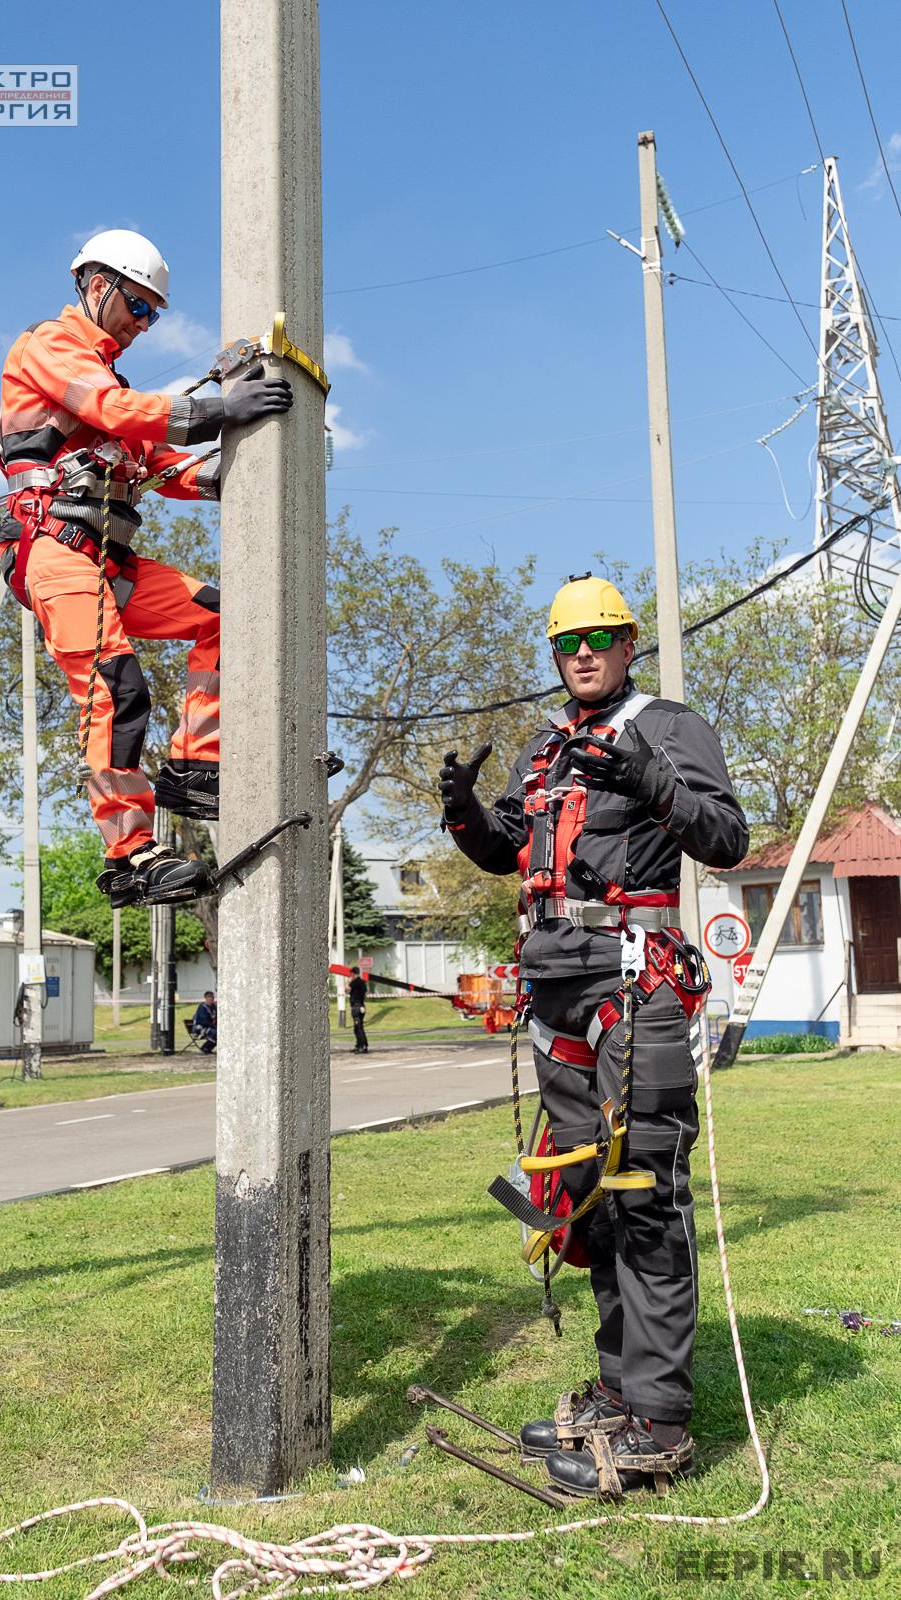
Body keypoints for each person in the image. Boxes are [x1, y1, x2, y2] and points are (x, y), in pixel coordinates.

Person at [438, 573, 748, 1500]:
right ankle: (619, 1393)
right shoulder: (545, 747)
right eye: (567, 643)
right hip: (556, 997)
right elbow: (511, 852)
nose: (582, 654)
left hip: (631, 986)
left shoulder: (668, 727)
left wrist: (651, 780)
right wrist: (464, 815)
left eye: (599, 639)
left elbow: (725, 838)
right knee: (588, 1203)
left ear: (626, 644)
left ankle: (658, 1425)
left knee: (644, 1194)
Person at [0, 229, 293, 908]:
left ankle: (194, 765)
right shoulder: (49, 346)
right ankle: (129, 854)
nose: (142, 323)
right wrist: (219, 411)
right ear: (97, 284)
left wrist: (253, 462)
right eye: (136, 305)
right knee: (116, 689)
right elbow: (113, 411)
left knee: (222, 617)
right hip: (55, 553)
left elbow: (166, 468)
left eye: (152, 314)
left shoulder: (112, 385)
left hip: (108, 562)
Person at [348, 966, 369, 1053]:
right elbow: (365, 993)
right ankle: (359, 1045)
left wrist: (348, 982)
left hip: (356, 1007)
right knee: (358, 1028)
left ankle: (363, 1046)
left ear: (353, 973)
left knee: (358, 1028)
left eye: (351, 974)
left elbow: (346, 990)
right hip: (361, 1006)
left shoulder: (355, 982)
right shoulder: (362, 982)